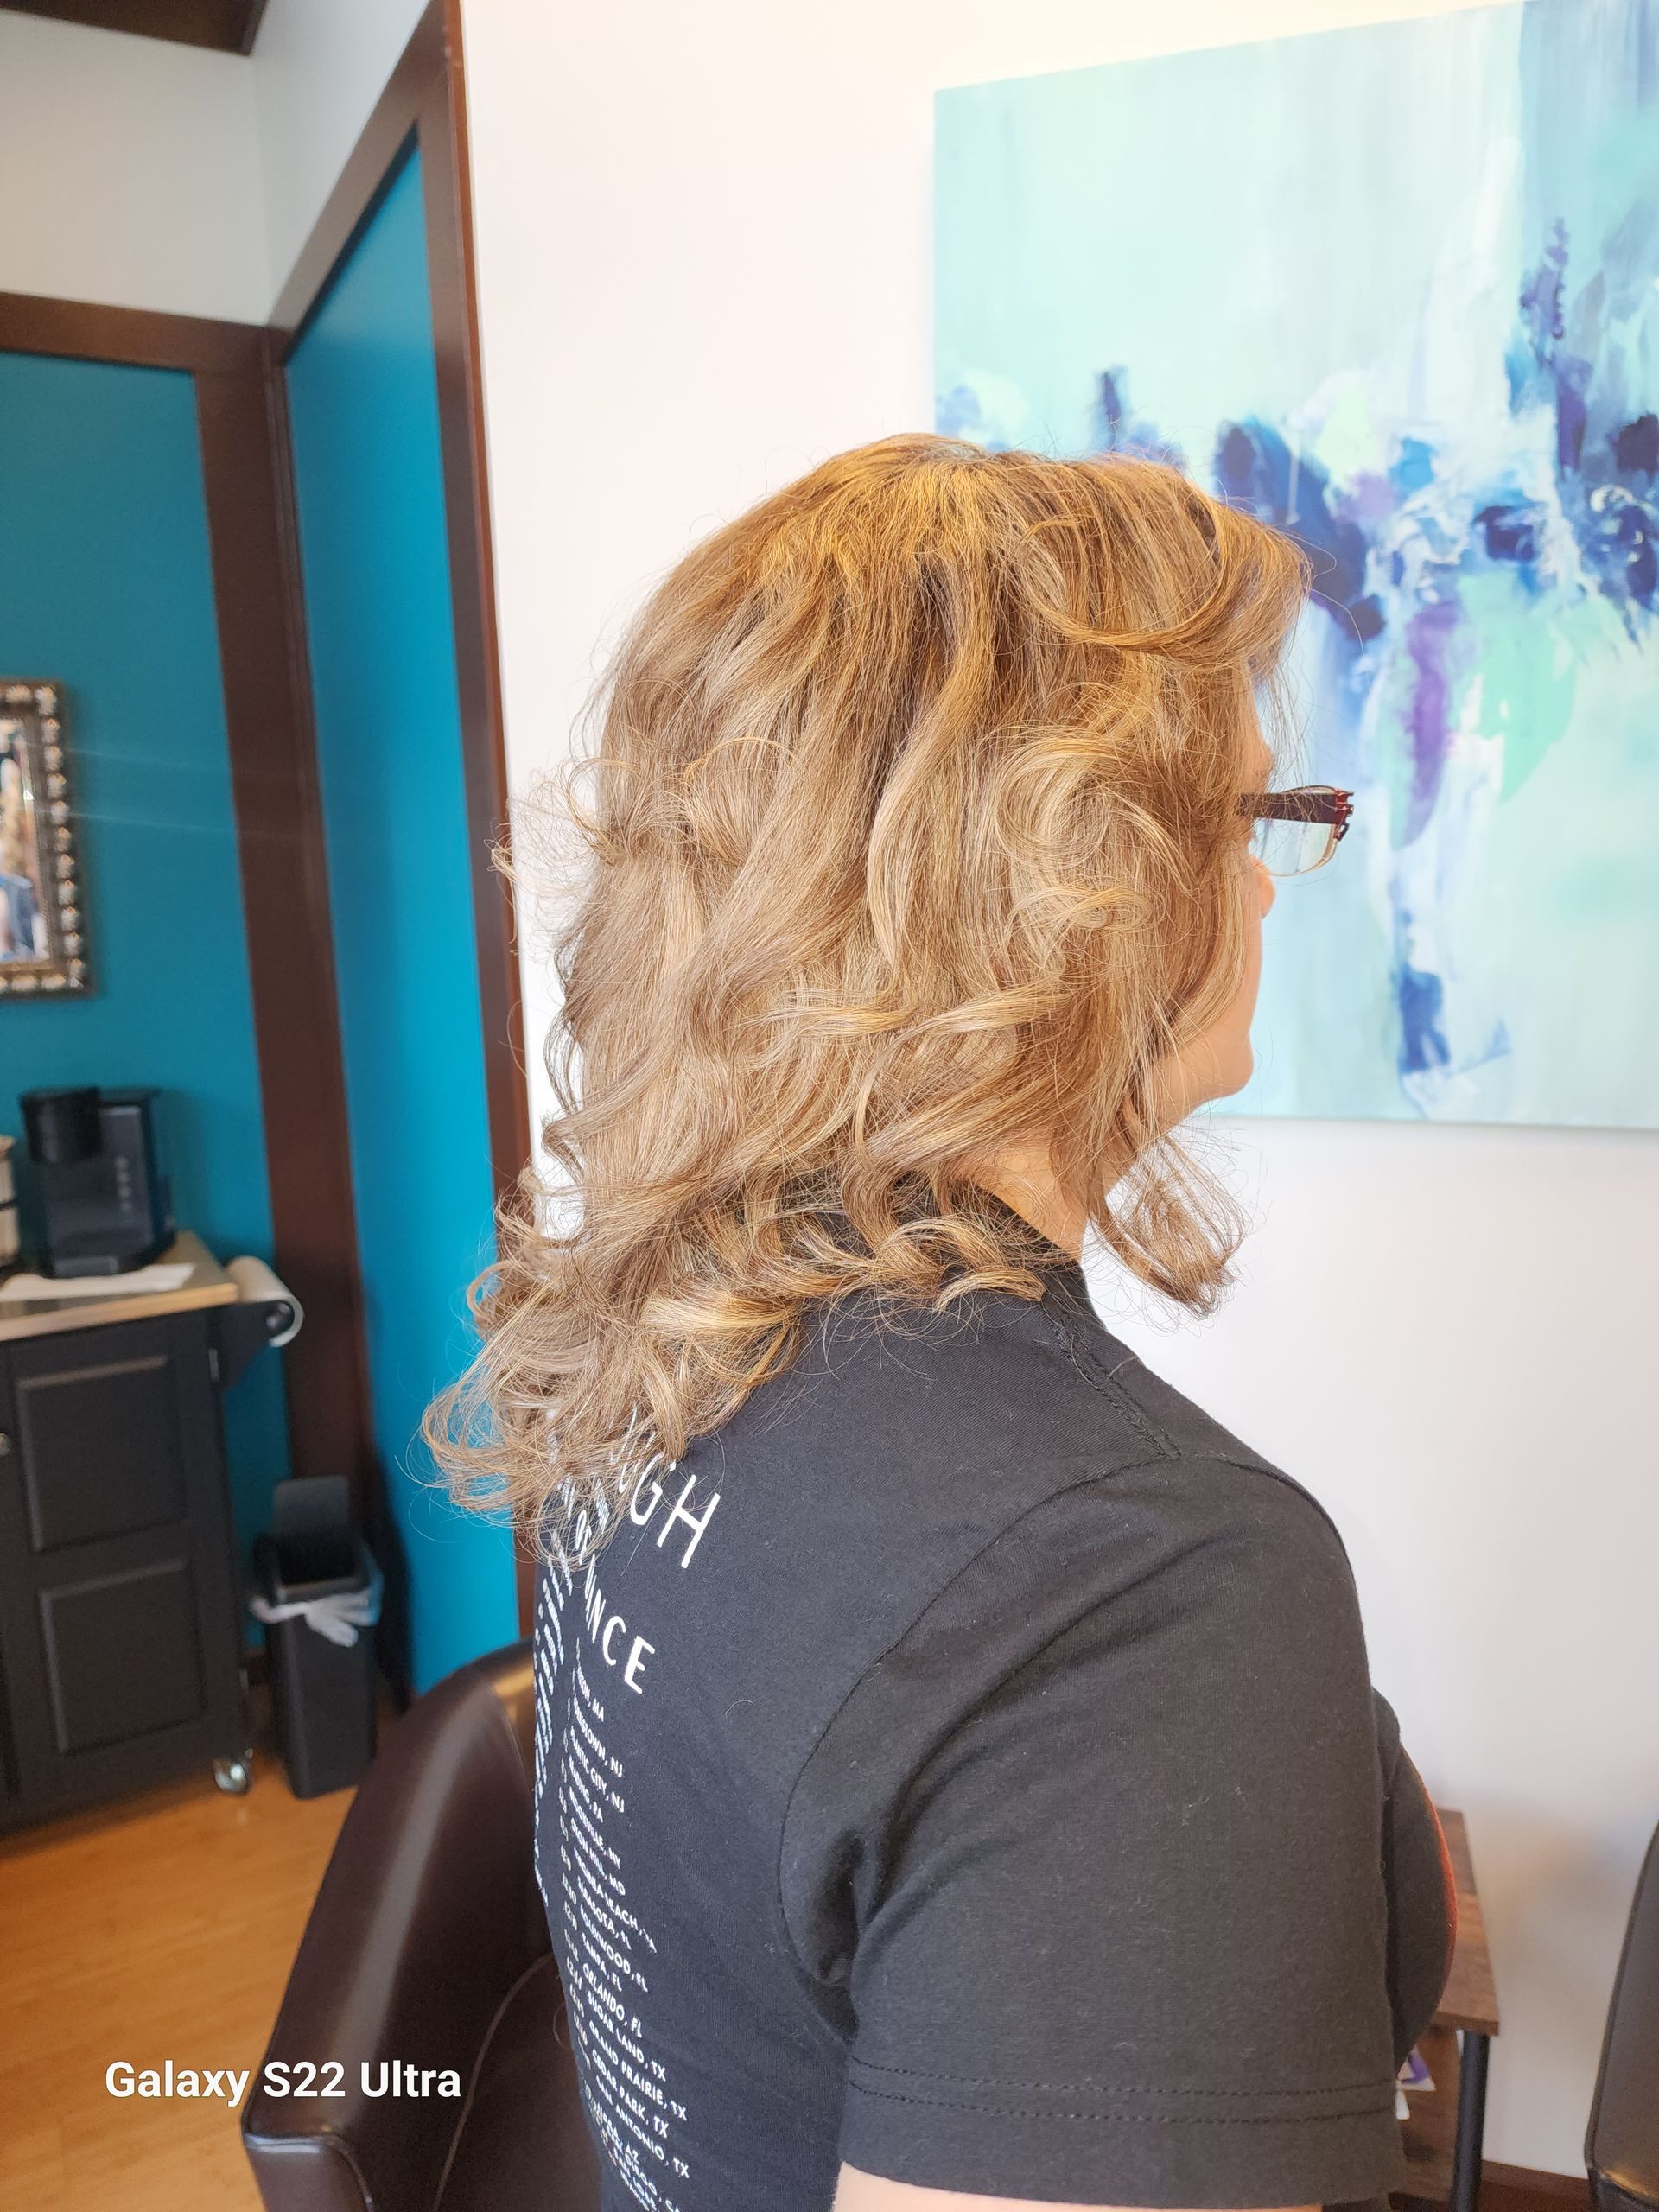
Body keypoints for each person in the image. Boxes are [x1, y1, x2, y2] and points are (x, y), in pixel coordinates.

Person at [427, 434, 1457, 2212]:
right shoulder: (1136, 1588)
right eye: (1249, 818)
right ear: (1069, 892)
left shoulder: (671, 1328)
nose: (1274, 882)